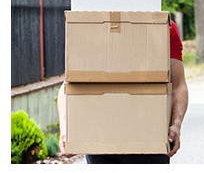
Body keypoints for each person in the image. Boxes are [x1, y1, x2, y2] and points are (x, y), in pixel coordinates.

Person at [58, 21, 189, 164]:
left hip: (151, 140)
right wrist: (65, 128)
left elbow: (179, 85)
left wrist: (176, 125)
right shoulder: (90, 25)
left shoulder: (164, 26)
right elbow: (69, 84)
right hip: (101, 142)